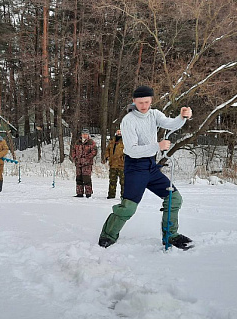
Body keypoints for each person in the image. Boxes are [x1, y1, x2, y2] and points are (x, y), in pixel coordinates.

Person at [98, 86, 193, 249]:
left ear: (151, 101)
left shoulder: (154, 114)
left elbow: (171, 124)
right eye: (140, 102)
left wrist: (182, 117)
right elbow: (133, 150)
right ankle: (108, 235)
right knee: (128, 207)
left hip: (151, 167)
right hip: (135, 167)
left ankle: (170, 236)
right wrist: (158, 146)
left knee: (174, 198)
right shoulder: (128, 120)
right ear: (134, 101)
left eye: (147, 102)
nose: (144, 106)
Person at [71, 128, 97, 198]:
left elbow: (94, 152)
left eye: (86, 134)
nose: (84, 135)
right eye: (83, 134)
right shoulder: (77, 142)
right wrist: (75, 158)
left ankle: (88, 193)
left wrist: (86, 158)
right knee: (79, 178)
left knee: (86, 178)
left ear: (88, 135)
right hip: (78, 163)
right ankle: (79, 193)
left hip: (87, 164)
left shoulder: (91, 142)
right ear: (81, 135)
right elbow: (73, 151)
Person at [105, 129, 124, 199]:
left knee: (123, 182)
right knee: (112, 181)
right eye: (118, 131)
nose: (119, 133)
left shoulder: (126, 140)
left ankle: (123, 196)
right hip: (112, 164)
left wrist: (124, 158)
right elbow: (107, 149)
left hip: (122, 165)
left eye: (120, 131)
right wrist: (107, 156)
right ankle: (111, 195)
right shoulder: (112, 140)